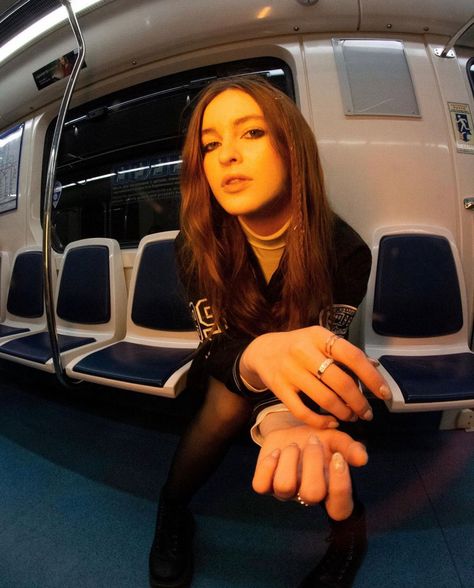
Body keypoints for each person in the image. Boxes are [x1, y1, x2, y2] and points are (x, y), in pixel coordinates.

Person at [148, 76, 391, 588]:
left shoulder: (346, 251)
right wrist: (255, 359)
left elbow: (319, 350)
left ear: (291, 145)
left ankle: (349, 530)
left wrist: (284, 417)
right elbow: (213, 346)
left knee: (321, 426)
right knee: (223, 405)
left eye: (251, 133)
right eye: (210, 144)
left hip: (307, 376)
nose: (226, 156)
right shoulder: (195, 246)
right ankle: (173, 510)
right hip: (233, 361)